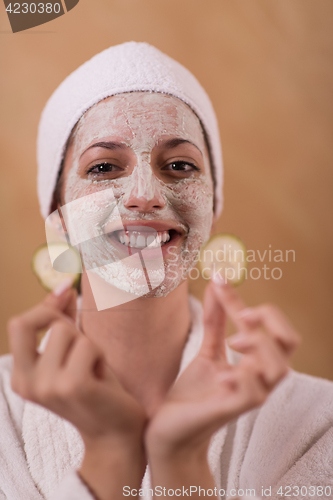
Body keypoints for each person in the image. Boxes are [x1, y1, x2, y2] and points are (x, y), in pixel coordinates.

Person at [1, 42, 332, 500]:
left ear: (213, 207)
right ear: (56, 218)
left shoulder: (319, 423)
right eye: (103, 167)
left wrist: (183, 459)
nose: (145, 194)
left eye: (179, 165)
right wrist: (110, 453)